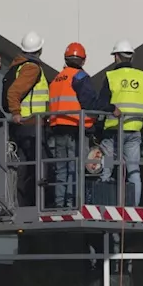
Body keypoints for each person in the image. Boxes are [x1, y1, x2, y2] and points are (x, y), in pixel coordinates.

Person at [46, 42, 102, 208]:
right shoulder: (79, 77)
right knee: (75, 169)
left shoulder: (57, 79)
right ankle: (72, 204)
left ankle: (59, 205)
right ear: (83, 61)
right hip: (75, 128)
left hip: (57, 128)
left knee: (61, 170)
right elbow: (89, 102)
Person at [1, 31, 49, 207]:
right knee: (39, 165)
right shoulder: (32, 68)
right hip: (31, 124)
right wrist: (16, 112)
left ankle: (24, 202)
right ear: (40, 49)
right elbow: (14, 92)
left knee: (24, 165)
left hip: (26, 125)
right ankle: (38, 203)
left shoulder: (19, 65)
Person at [98, 39, 143, 204]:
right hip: (134, 131)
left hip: (113, 131)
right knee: (134, 170)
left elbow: (101, 103)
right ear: (131, 57)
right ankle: (134, 206)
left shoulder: (111, 76)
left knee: (106, 168)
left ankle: (104, 203)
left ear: (116, 57)